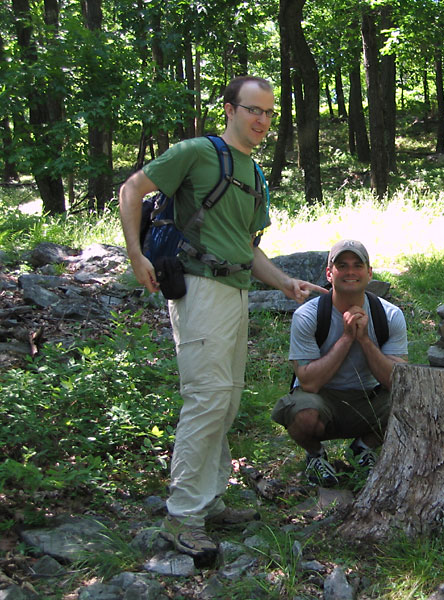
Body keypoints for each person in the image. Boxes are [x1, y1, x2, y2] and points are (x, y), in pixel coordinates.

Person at [118, 76, 326, 562]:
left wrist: (285, 283)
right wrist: (135, 254)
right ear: (230, 109)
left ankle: (209, 500)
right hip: (198, 288)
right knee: (207, 399)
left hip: (235, 292)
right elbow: (132, 189)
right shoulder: (196, 152)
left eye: (269, 113)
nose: (262, 120)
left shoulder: (255, 174)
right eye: (253, 109)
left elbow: (246, 248)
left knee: (226, 401)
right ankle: (182, 516)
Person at [271, 239, 408, 486]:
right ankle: (315, 454)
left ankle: (363, 448)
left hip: (369, 398)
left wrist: (364, 340)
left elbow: (397, 381)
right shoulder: (308, 315)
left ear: (369, 273)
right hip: (322, 398)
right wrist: (346, 338)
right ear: (329, 273)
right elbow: (309, 383)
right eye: (342, 266)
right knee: (302, 412)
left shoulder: (390, 315)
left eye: (357, 265)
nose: (350, 272)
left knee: (411, 402)